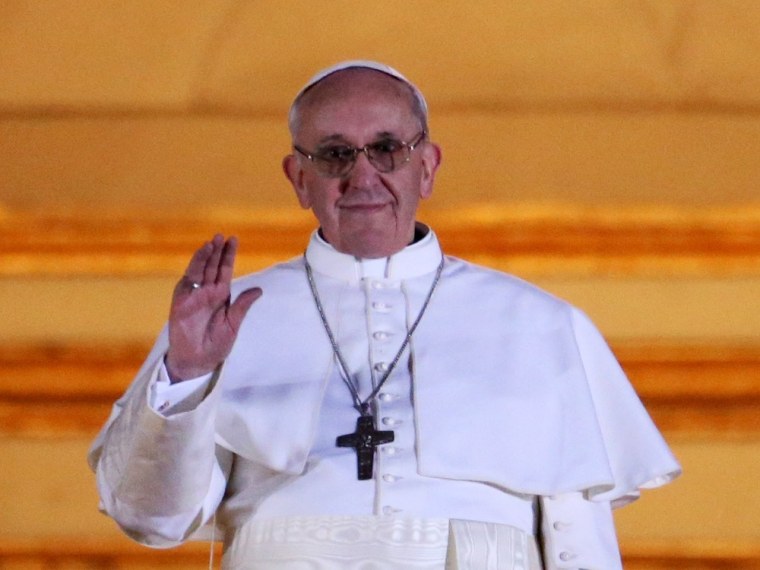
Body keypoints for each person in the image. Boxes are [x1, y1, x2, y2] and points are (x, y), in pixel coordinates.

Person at [88, 60, 681, 569]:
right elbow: (153, 520)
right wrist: (188, 373)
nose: (362, 176)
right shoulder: (223, 323)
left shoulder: (539, 323)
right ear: (299, 178)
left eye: (387, 149)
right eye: (335, 154)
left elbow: (579, 539)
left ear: (427, 165)